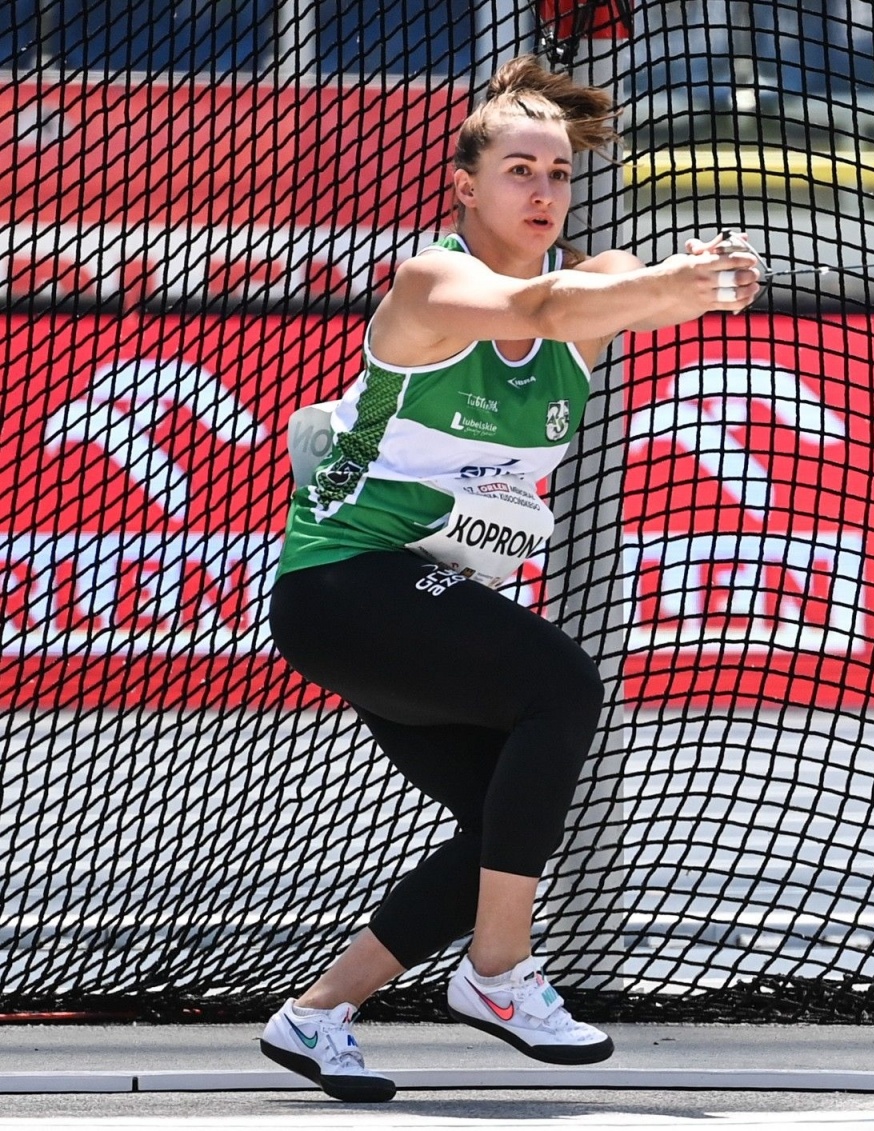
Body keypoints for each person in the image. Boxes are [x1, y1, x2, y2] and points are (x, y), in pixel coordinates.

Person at [258, 56, 763, 1103]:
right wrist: (662, 288)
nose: (543, 192)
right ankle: (497, 976)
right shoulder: (427, 282)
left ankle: (315, 1016)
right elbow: (535, 306)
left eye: (559, 174)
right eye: (519, 171)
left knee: (505, 830)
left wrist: (689, 280)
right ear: (465, 186)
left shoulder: (583, 288)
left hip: (414, 601)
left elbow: (590, 295)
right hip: (347, 584)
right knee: (560, 690)